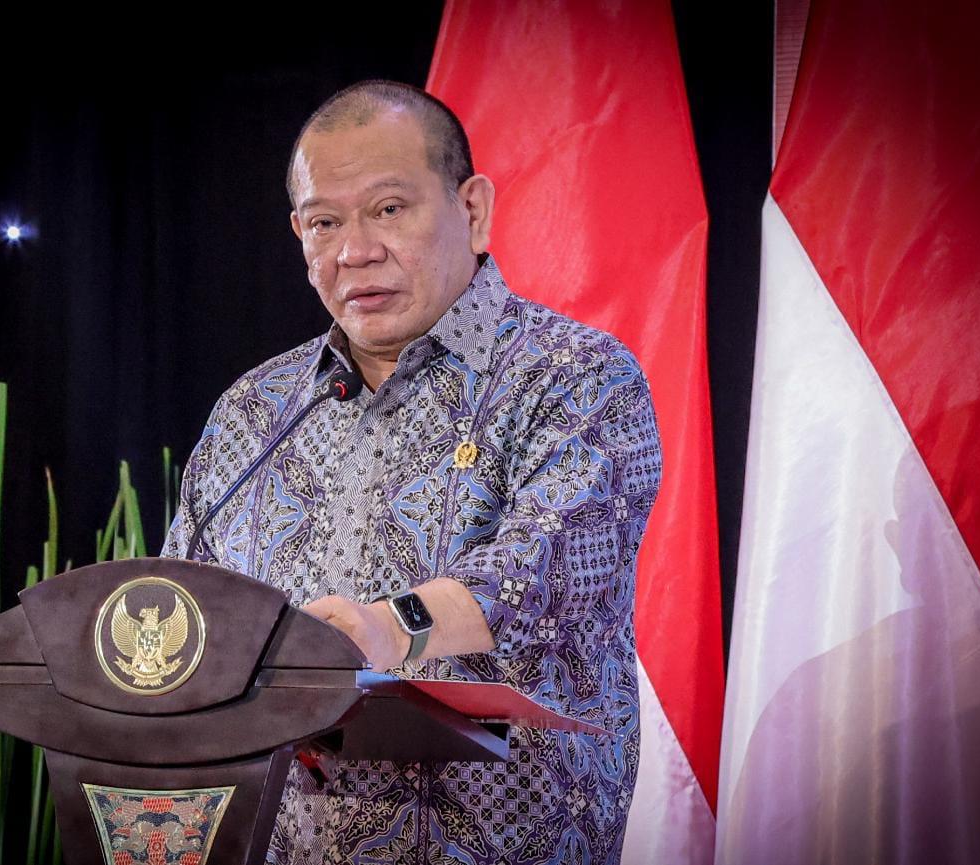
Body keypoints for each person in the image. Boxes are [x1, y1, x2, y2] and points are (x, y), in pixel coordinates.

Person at [162, 80, 661, 865]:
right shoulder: (254, 410)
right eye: (325, 222)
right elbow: (186, 608)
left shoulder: (576, 376)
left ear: (473, 208)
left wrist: (387, 628)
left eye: (389, 208)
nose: (354, 250)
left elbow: (536, 574)